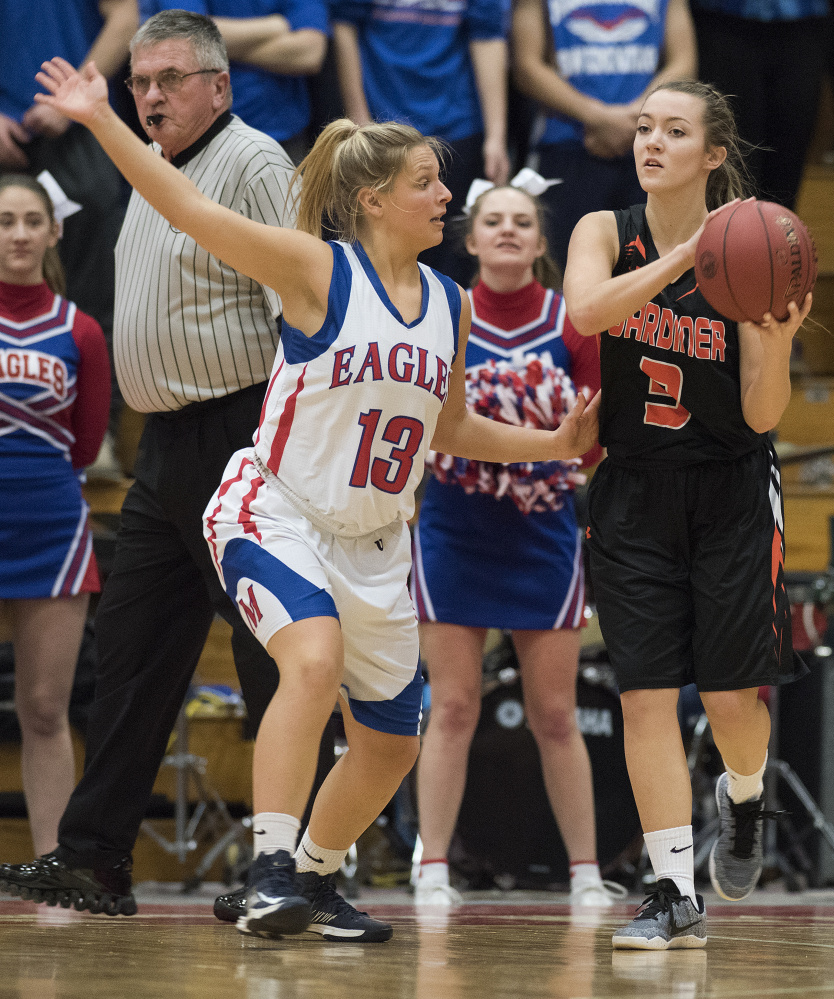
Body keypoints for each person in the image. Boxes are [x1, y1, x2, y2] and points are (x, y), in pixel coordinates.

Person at [24, 47, 601, 940]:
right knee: (312, 659)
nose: (447, 196)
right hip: (276, 509)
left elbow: (448, 428)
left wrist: (552, 443)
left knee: (393, 740)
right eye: (427, 182)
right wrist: (102, 118)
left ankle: (318, 876)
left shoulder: (451, 301)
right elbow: (186, 204)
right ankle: (268, 871)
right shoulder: (316, 269)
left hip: (376, 542)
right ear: (373, 201)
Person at [0, 10, 291, 918]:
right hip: (164, 446)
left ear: (220, 85)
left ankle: (296, 864)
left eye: (169, 79)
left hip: (240, 435)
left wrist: (286, 451)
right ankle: (94, 857)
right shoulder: (154, 168)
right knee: (129, 653)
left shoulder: (257, 163)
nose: (151, 95)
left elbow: (302, 303)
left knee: (265, 654)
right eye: (140, 83)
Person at [562, 79, 811, 949]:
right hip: (632, 488)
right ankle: (671, 888)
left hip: (731, 485)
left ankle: (743, 800)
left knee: (736, 700)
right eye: (642, 128)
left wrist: (773, 345)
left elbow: (760, 413)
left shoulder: (757, 243)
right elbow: (585, 312)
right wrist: (685, 260)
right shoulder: (605, 229)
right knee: (644, 697)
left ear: (713, 153)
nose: (651, 142)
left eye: (674, 130)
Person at [410, 175, 613, 907]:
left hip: (543, 532)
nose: (505, 231)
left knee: (555, 713)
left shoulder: (573, 322)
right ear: (468, 239)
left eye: (520, 221)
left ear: (540, 241)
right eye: (491, 220)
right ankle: (431, 864)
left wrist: (549, 452)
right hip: (455, 530)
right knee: (454, 705)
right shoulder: (440, 312)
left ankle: (586, 871)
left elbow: (595, 442)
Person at [0, 174, 110, 857]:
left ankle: (54, 868)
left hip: (50, 528)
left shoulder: (81, 331)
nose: (16, 234)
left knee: (44, 708)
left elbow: (89, 441)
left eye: (29, 221)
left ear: (54, 231)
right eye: (5, 221)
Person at [0, 0, 139, 478]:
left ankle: (95, 436)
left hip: (75, 132)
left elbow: (126, 15)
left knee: (97, 289)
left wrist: (75, 95)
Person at [330, 0, 510, 283]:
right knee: (378, 261)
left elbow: (487, 37)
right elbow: (344, 27)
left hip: (457, 129)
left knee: (451, 260)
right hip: (382, 129)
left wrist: (496, 137)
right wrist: (360, 124)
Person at [510, 0, 696, 269]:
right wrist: (597, 117)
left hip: (650, 148)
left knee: (653, 276)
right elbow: (526, 67)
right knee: (565, 272)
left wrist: (639, 118)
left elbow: (684, 62)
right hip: (567, 144)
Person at [139, 0, 329, 163]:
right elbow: (185, 37)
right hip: (203, 136)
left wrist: (217, 49)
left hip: (284, 135)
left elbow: (310, 54)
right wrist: (276, 25)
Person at [689, 0, 828, 211]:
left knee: (786, 172)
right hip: (720, 20)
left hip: (804, 20)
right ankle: (723, 242)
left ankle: (777, 243)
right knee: (729, 167)